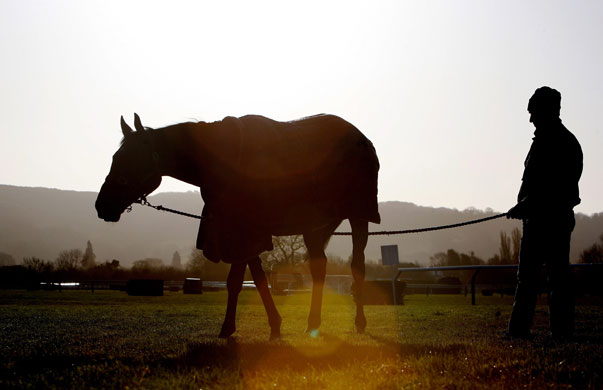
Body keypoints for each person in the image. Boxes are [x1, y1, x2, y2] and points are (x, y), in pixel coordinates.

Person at [506, 86, 583, 340]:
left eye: (533, 113)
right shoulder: (549, 141)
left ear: (548, 110)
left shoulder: (561, 143)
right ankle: (521, 332)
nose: (530, 119)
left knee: (554, 279)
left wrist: (527, 205)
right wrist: (526, 206)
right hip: (536, 220)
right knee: (529, 279)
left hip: (551, 221)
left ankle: (559, 332)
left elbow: (556, 187)